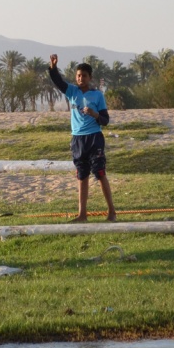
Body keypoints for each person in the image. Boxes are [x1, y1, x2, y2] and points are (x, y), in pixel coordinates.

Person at [48, 54, 116, 222]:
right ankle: (82, 215)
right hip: (78, 139)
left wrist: (95, 115)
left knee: (100, 173)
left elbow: (105, 120)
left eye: (84, 76)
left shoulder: (97, 96)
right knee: (82, 175)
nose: (80, 78)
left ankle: (112, 213)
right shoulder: (72, 91)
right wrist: (53, 67)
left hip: (94, 138)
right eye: (78, 75)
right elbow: (58, 82)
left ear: (90, 78)